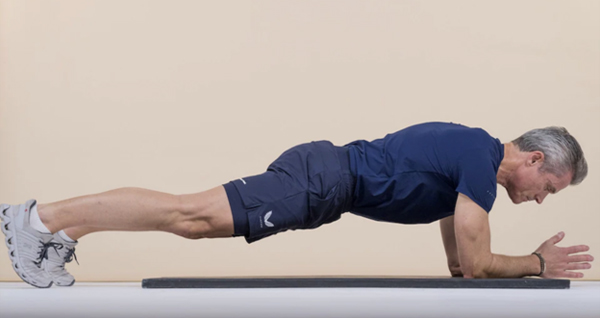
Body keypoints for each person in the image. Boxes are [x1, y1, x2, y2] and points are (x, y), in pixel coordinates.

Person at [0, 122, 593, 288]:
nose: (542, 199)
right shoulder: (478, 157)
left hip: (325, 181)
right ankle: (39, 221)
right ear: (535, 161)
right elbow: (482, 259)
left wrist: (474, 268)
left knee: (192, 220)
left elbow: (465, 264)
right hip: (325, 179)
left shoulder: (469, 163)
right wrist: (537, 265)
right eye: (551, 186)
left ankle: (50, 228)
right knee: (190, 215)